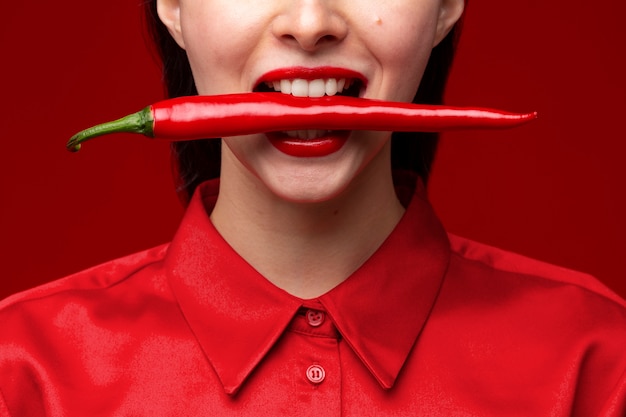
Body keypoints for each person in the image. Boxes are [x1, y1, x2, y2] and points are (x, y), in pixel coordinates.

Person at [1, 0, 625, 415]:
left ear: (447, 7)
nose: (308, 21)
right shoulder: (23, 372)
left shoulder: (598, 364)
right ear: (172, 6)